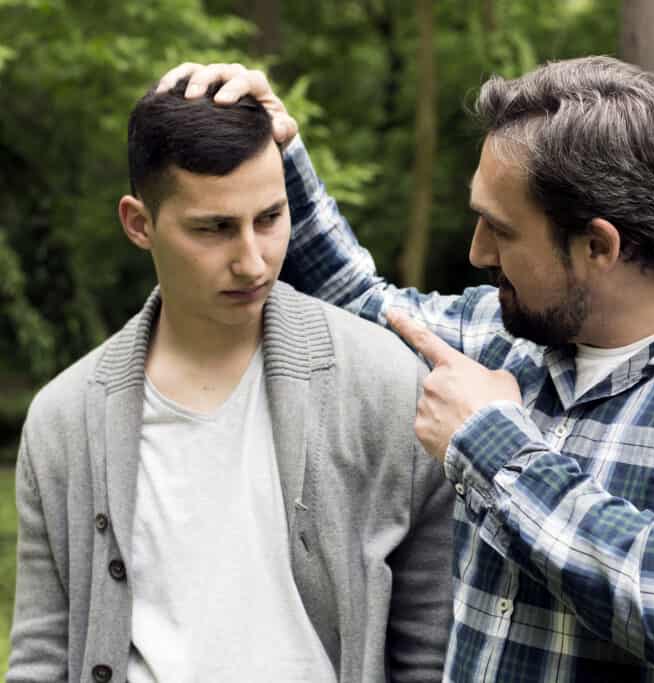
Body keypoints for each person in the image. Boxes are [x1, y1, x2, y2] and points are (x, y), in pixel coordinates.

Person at [169, 55, 654, 682]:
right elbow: (357, 308)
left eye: (500, 228)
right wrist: (280, 157)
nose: (476, 251)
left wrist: (493, 444)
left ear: (597, 245)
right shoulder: (507, 333)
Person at [8, 78, 453, 683]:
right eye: (213, 229)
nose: (252, 259)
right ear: (139, 224)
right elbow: (42, 654)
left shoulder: (385, 383)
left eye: (270, 217)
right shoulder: (64, 419)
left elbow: (430, 645)